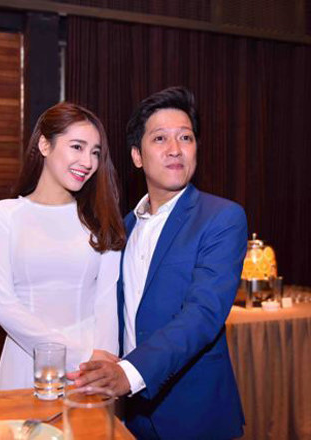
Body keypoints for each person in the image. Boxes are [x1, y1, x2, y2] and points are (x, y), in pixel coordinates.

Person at [69, 87, 247, 439]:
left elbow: (203, 314)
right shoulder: (122, 228)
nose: (175, 149)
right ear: (137, 156)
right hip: (131, 413)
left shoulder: (221, 217)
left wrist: (129, 373)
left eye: (186, 137)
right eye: (160, 138)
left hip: (194, 414)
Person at [0, 102, 125, 390]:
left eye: (95, 152)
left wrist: (101, 367)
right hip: (25, 359)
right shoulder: (4, 216)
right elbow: (3, 306)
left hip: (88, 370)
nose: (88, 162)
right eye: (77, 147)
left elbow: (107, 302)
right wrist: (79, 357)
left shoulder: (101, 219)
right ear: (45, 145)